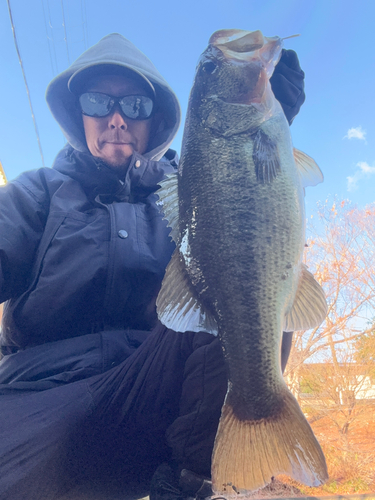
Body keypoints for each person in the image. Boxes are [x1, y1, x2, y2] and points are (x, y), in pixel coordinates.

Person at [0, 33, 305, 500]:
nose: (117, 119)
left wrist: (264, 148)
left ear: (155, 119)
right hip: (41, 394)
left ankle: (192, 480)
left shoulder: (191, 189)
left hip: (159, 392)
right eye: (98, 102)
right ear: (78, 113)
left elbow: (247, 226)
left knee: (245, 290)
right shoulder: (37, 193)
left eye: (136, 105)